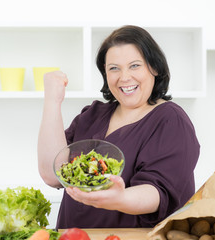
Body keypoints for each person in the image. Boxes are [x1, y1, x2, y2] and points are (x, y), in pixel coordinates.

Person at [37, 25, 200, 229]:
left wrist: (119, 198)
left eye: (134, 66)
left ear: (155, 68)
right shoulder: (92, 115)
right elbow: (52, 175)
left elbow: (158, 192)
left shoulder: (171, 120)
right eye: (114, 68)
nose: (124, 77)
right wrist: (52, 101)